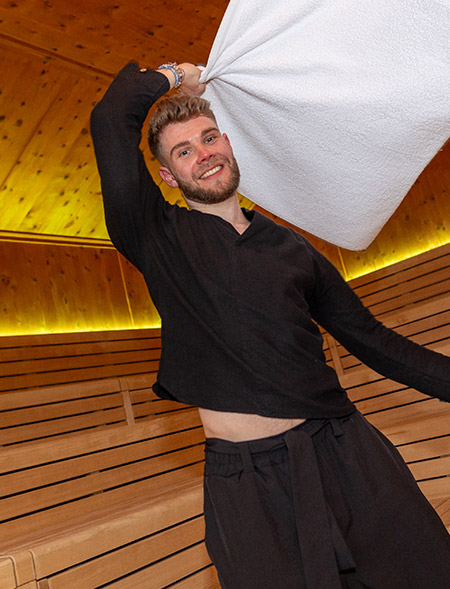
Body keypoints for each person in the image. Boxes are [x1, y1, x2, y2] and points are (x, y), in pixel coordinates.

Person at [90, 61, 450, 588]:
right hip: (251, 484)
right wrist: (176, 75)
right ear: (167, 176)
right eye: (183, 151)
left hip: (346, 451)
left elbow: (375, 342)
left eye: (209, 138)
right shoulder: (154, 235)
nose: (203, 154)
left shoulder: (291, 248)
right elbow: (110, 118)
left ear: (229, 144)